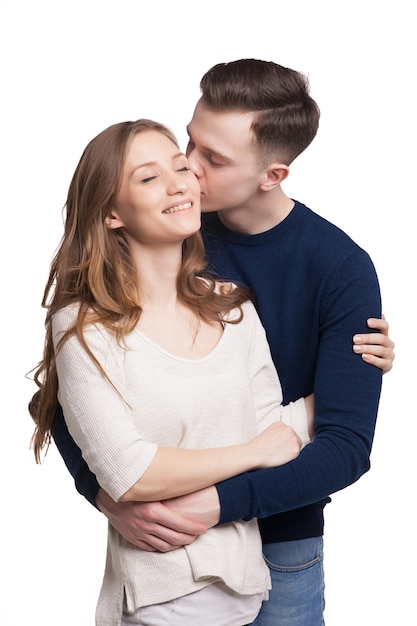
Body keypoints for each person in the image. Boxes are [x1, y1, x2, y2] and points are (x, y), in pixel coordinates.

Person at [48, 60, 395, 625]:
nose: (188, 171)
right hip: (167, 541)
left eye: (213, 160)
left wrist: (219, 504)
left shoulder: (340, 268)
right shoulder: (160, 229)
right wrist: (109, 494)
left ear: (273, 175)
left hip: (283, 546)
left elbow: (347, 447)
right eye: (190, 143)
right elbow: (69, 392)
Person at [30, 118, 317, 626]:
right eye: (148, 177)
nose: (178, 182)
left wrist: (354, 370)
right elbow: (130, 472)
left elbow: (276, 430)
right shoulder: (84, 325)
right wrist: (254, 451)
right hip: (159, 603)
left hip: (248, 592)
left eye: (179, 166)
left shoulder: (231, 309)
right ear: (112, 213)